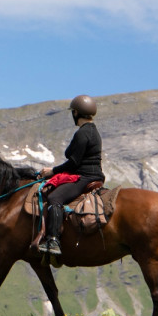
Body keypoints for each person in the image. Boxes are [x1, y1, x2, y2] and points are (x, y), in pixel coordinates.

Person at [37, 94, 104, 257]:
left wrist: (52, 171)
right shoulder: (93, 131)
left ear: (76, 113)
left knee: (55, 198)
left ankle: (53, 240)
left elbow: (73, 163)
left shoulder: (82, 133)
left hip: (84, 177)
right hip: (93, 175)